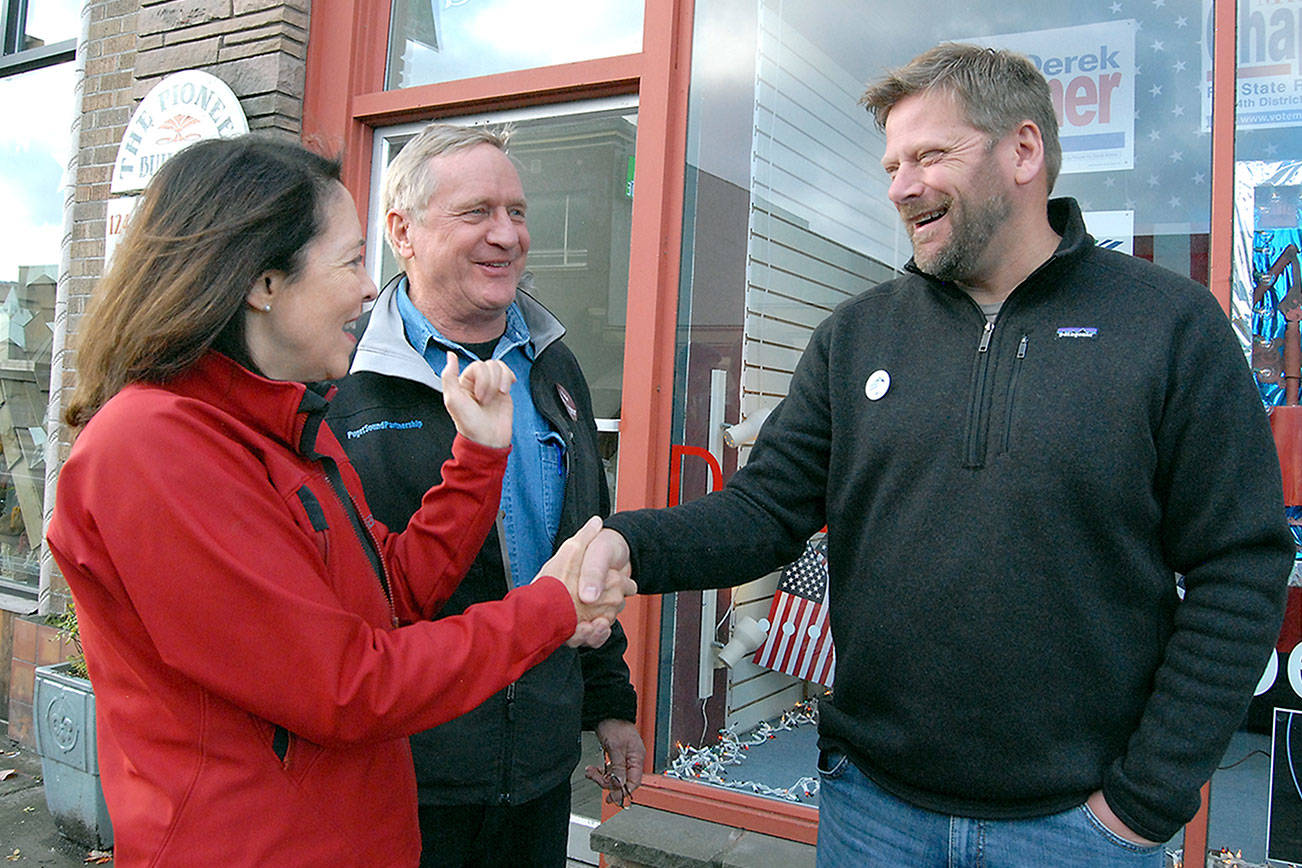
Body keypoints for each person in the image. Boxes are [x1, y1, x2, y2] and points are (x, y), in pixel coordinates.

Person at [577, 43, 1294, 866]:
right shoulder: (858, 336)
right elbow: (761, 513)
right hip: (872, 810)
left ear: (1023, 151)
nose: (900, 186)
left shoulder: (1167, 326)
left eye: (928, 155)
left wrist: (1143, 799)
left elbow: (1240, 567)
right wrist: (627, 542)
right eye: (891, 164)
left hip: (1079, 830)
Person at [45, 135, 632, 867]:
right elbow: (347, 686)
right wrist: (551, 609)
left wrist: (478, 461)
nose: (367, 289)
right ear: (263, 282)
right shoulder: (153, 451)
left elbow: (393, 590)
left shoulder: (282, 428)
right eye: (351, 261)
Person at [327, 123, 643, 867]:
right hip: (406, 776)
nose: (508, 235)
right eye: (477, 213)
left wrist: (609, 704)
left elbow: (583, 543)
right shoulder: (337, 378)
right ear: (402, 232)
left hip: (538, 770)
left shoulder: (554, 366)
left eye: (519, 212)